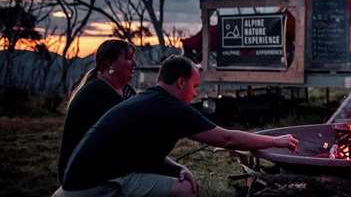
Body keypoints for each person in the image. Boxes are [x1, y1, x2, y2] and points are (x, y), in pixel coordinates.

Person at [61, 56, 298, 197]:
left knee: (177, 180)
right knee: (187, 191)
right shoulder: (169, 107)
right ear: (181, 82)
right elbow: (226, 139)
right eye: (194, 86)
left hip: (82, 177)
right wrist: (277, 141)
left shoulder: (147, 100)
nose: (195, 92)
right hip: (94, 185)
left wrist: (176, 168)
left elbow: (141, 156)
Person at [57, 40, 137, 188]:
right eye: (128, 58)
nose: (134, 64)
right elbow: (132, 138)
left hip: (109, 169)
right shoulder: (96, 94)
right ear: (109, 64)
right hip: (85, 176)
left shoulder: (126, 91)